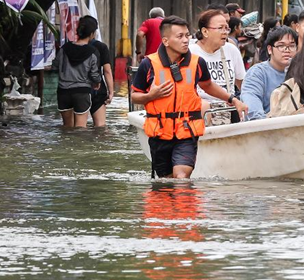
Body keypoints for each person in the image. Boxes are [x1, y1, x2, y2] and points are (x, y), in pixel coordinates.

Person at [131, 16, 248, 179]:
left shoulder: (197, 62)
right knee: (166, 181)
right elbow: (135, 96)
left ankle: (185, 203)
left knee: (181, 176)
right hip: (160, 133)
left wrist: (233, 99)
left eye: (187, 35)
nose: (186, 40)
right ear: (165, 41)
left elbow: (208, 86)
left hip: (186, 131)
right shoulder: (148, 64)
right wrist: (151, 95)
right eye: (180, 36)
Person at [189, 10, 247, 118]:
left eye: (226, 28)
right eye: (220, 28)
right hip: (201, 111)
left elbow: (243, 83)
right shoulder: (191, 53)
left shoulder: (231, 49)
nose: (225, 32)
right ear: (205, 32)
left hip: (228, 108)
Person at [53, 16, 102, 128]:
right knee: (80, 129)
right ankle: (77, 146)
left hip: (63, 92)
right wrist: (97, 81)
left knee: (66, 127)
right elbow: (94, 74)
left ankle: (65, 145)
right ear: (92, 34)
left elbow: (55, 65)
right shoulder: (93, 52)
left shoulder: (64, 48)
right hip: (82, 92)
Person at [81, 16, 115, 127]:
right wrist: (111, 92)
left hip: (79, 90)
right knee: (100, 127)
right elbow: (107, 71)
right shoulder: (101, 47)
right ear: (94, 31)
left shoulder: (73, 46)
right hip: (97, 90)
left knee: (78, 128)